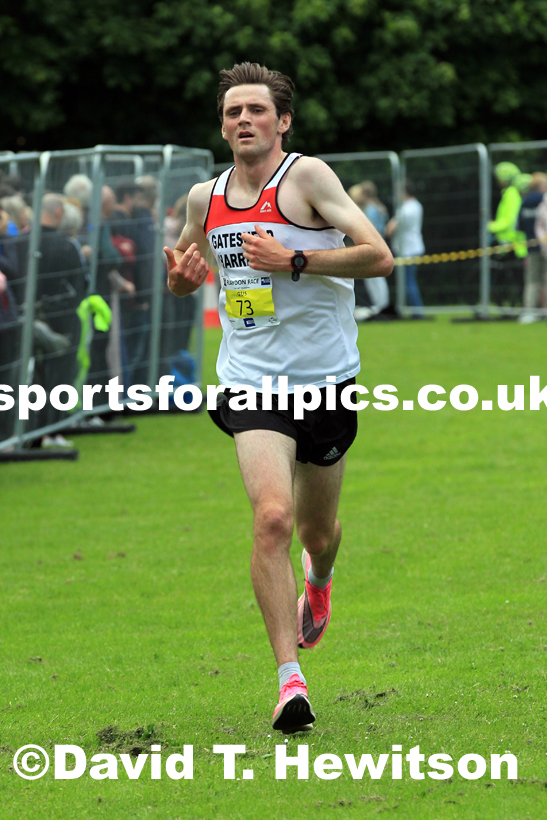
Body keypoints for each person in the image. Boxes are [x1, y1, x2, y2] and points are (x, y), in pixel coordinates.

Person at [164, 62, 393, 732]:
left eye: (256, 110)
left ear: (282, 121)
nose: (244, 120)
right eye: (232, 111)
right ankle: (290, 682)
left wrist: (293, 260)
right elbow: (185, 271)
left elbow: (377, 256)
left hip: (324, 380)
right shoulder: (203, 199)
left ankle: (318, 580)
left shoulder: (308, 178)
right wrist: (182, 281)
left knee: (317, 531)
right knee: (271, 518)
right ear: (222, 126)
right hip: (249, 379)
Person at [348, 181, 390, 320]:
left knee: (375, 278)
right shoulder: (378, 207)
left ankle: (381, 305)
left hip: (374, 245)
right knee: (376, 278)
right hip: (380, 243)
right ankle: (380, 305)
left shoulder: (371, 209)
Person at [385, 180, 425, 317]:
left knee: (408, 282)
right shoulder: (416, 205)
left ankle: (417, 312)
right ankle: (416, 311)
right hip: (413, 247)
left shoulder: (406, 209)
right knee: (409, 280)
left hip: (408, 250)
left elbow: (390, 229)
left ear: (404, 192)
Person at [517, 172, 547, 323]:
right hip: (545, 246)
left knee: (532, 281)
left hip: (531, 246)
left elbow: (520, 226)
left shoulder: (525, 201)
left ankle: (529, 312)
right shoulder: (543, 199)